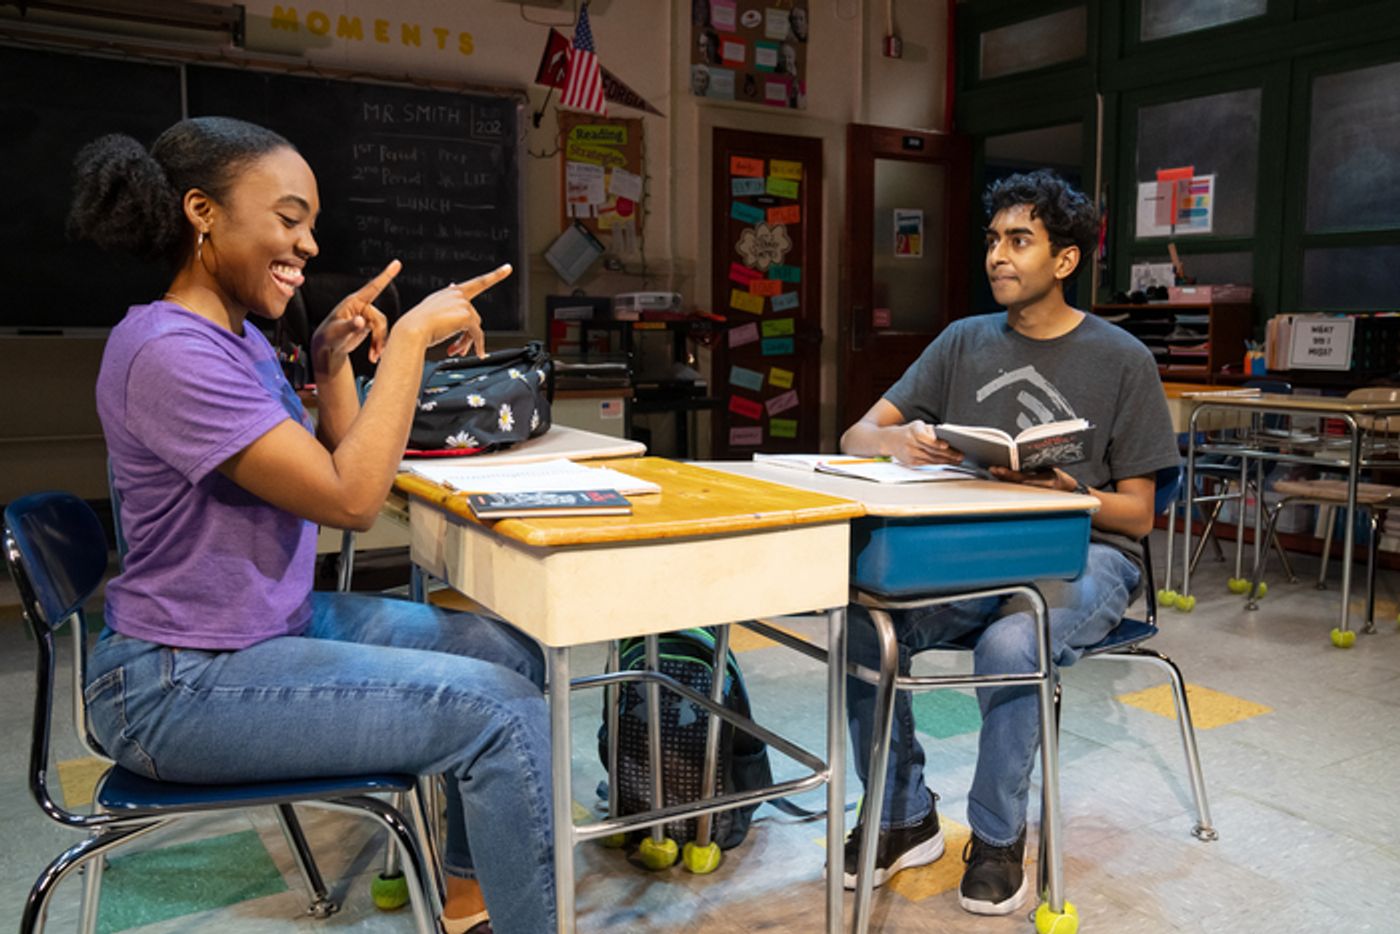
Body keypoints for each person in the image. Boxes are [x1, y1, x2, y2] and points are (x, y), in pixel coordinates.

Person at [68, 116, 554, 934]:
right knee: (498, 711)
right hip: (176, 683)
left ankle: (471, 888)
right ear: (202, 212)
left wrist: (332, 363)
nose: (309, 246)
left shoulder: (241, 340)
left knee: (506, 653)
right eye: (289, 220)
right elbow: (352, 498)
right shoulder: (168, 351)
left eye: (311, 226)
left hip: (258, 631)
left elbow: (334, 455)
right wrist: (405, 345)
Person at [839, 170, 1178, 916]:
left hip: (1084, 551)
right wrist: (902, 443)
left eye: (1019, 240)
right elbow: (856, 433)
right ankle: (902, 816)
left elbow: (1138, 516)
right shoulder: (964, 341)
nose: (998, 255)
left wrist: (1073, 494)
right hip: (976, 546)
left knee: (1010, 644)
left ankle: (996, 840)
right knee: (864, 626)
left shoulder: (1123, 360)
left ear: (1063, 261)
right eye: (994, 240)